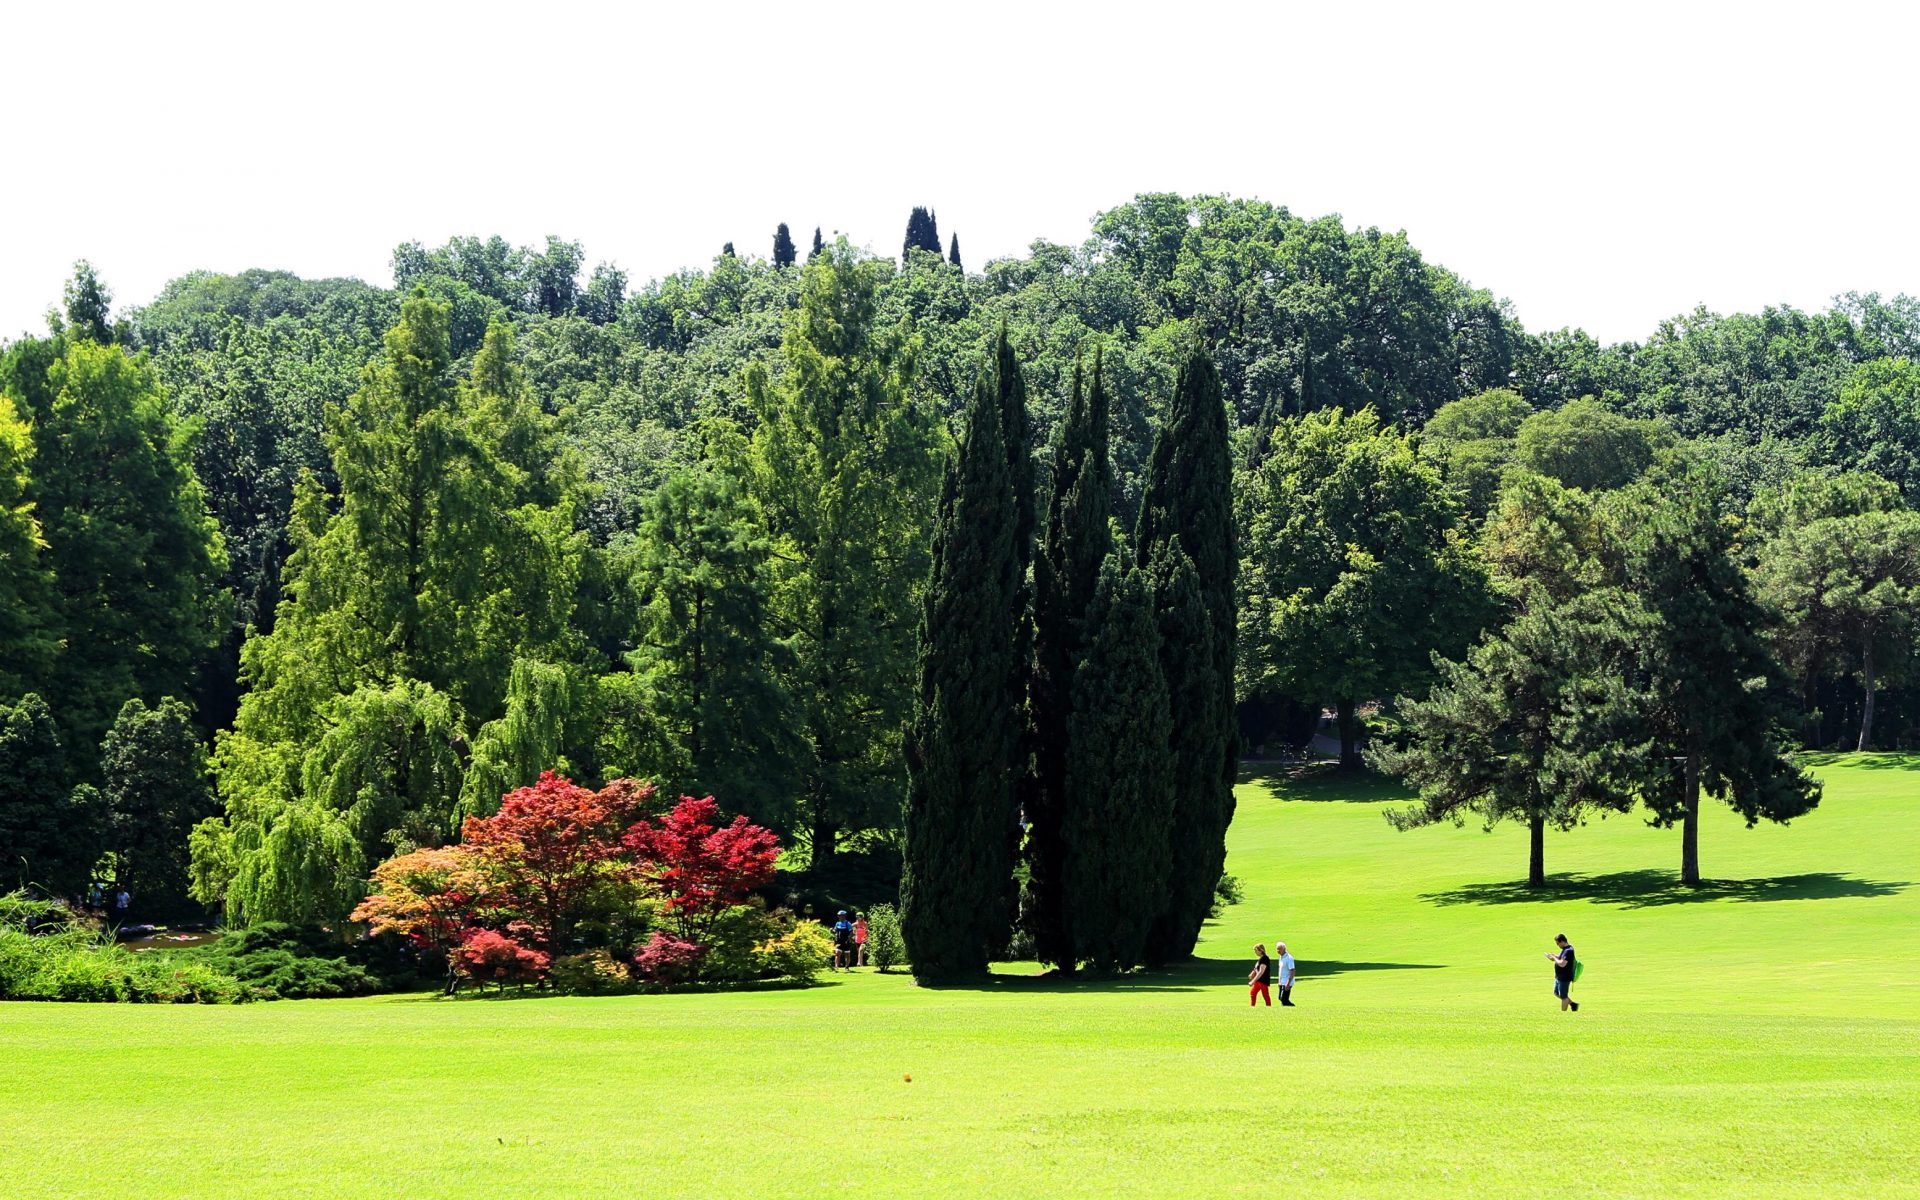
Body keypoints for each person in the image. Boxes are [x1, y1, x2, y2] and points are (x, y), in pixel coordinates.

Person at [1546, 933, 1579, 1012]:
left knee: (1564, 996)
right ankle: (1573, 1004)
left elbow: (1562, 964)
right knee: (1556, 993)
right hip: (1559, 976)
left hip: (1564, 977)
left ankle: (1563, 1014)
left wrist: (1554, 958)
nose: (1557, 945)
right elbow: (1562, 959)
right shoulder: (1565, 949)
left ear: (1562, 942)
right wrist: (1555, 956)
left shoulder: (1569, 950)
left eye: (1557, 943)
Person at [1276, 941, 1298, 1007]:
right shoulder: (1281, 957)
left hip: (1287, 981)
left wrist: (1288, 983)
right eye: (1277, 949)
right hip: (1281, 981)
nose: (1278, 951)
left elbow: (1293, 971)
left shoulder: (1289, 958)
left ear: (1284, 949)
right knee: (1280, 998)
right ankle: (1287, 1008)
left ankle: (1292, 1007)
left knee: (1284, 999)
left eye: (1279, 949)